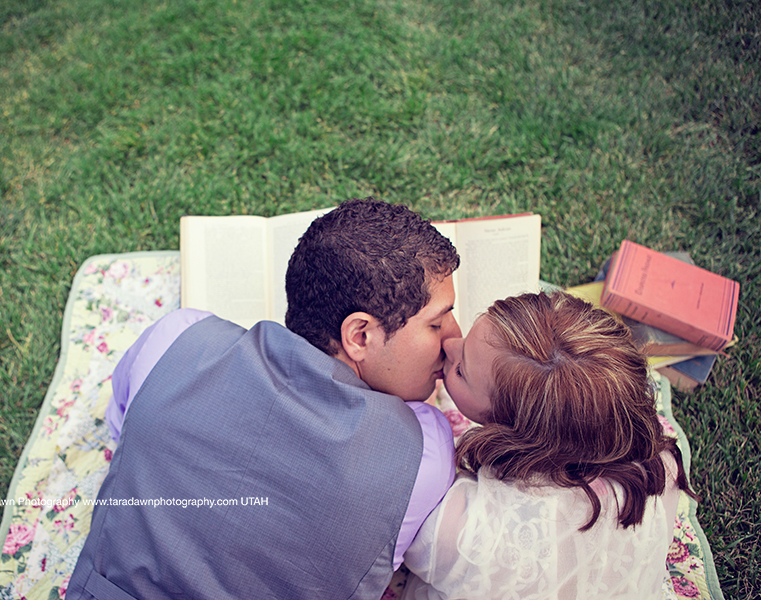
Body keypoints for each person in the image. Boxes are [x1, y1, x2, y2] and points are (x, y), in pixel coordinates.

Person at [66, 198, 462, 600]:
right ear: (360, 336)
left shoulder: (176, 339)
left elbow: (123, 423)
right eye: (437, 321)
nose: (454, 337)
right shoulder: (422, 451)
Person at [401, 291, 699, 600]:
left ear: (512, 432)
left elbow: (407, 545)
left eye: (461, 371)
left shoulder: (465, 527)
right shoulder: (662, 467)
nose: (449, 344)